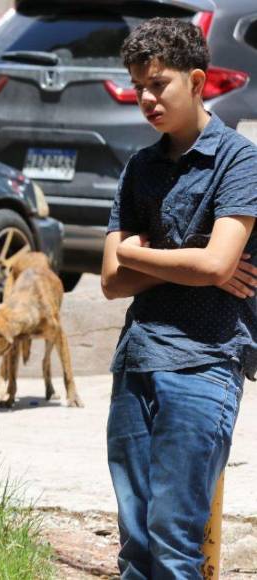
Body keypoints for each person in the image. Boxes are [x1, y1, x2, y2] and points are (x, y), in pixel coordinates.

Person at [101, 18, 257, 578]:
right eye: (137, 85)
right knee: (135, 550)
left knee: (173, 547)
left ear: (197, 80)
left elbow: (217, 264)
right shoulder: (140, 168)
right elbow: (111, 280)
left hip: (204, 365)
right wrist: (185, 259)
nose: (145, 98)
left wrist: (143, 252)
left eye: (158, 84)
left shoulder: (239, 160)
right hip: (138, 360)